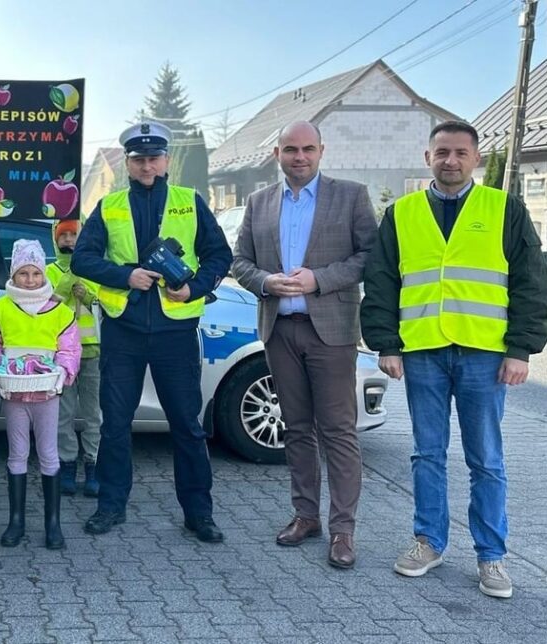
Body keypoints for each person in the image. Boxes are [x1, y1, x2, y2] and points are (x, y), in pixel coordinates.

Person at [361, 120, 547, 598]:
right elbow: (381, 281)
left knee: (486, 459)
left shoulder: (504, 208)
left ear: (475, 159)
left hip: (486, 354)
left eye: (461, 153)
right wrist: (385, 343)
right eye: (442, 152)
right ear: (428, 158)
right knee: (427, 454)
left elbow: (530, 281)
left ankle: (491, 556)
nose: (451, 160)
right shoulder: (400, 213)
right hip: (422, 351)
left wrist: (520, 349)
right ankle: (428, 541)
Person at [72, 121, 232, 543]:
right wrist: (127, 275)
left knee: (187, 425)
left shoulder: (189, 201)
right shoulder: (109, 206)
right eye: (139, 159)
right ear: (128, 162)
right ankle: (111, 505)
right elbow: (82, 260)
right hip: (124, 329)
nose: (147, 166)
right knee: (114, 424)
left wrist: (192, 287)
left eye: (154, 158)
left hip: (175, 331)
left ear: (166, 162)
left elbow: (220, 255)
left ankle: (199, 513)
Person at [231, 120, 377, 568]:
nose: (299, 157)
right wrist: (265, 282)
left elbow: (370, 256)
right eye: (290, 149)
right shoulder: (259, 203)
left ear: (321, 151)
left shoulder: (350, 195)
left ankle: (343, 531)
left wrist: (319, 280)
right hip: (280, 331)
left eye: (307, 149)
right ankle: (305, 515)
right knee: (295, 428)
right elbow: (240, 260)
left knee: (337, 432)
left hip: (330, 332)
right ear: (276, 154)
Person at [0, 239, 80, 550]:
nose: (30, 280)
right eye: (23, 273)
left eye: (35, 273)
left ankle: (53, 523)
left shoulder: (60, 312)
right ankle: (16, 521)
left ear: (43, 274)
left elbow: (70, 349)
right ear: (13, 275)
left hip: (47, 394)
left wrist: (62, 374)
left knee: (49, 454)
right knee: (17, 453)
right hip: (14, 394)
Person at [47, 219, 102, 496]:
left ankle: (93, 464)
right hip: (62, 354)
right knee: (63, 414)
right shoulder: (49, 271)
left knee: (93, 413)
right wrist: (69, 280)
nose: (68, 240)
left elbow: (104, 304)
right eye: (63, 235)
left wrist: (89, 295)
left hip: (92, 350)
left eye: (73, 234)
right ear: (55, 239)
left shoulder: (93, 268)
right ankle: (67, 464)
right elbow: (49, 304)